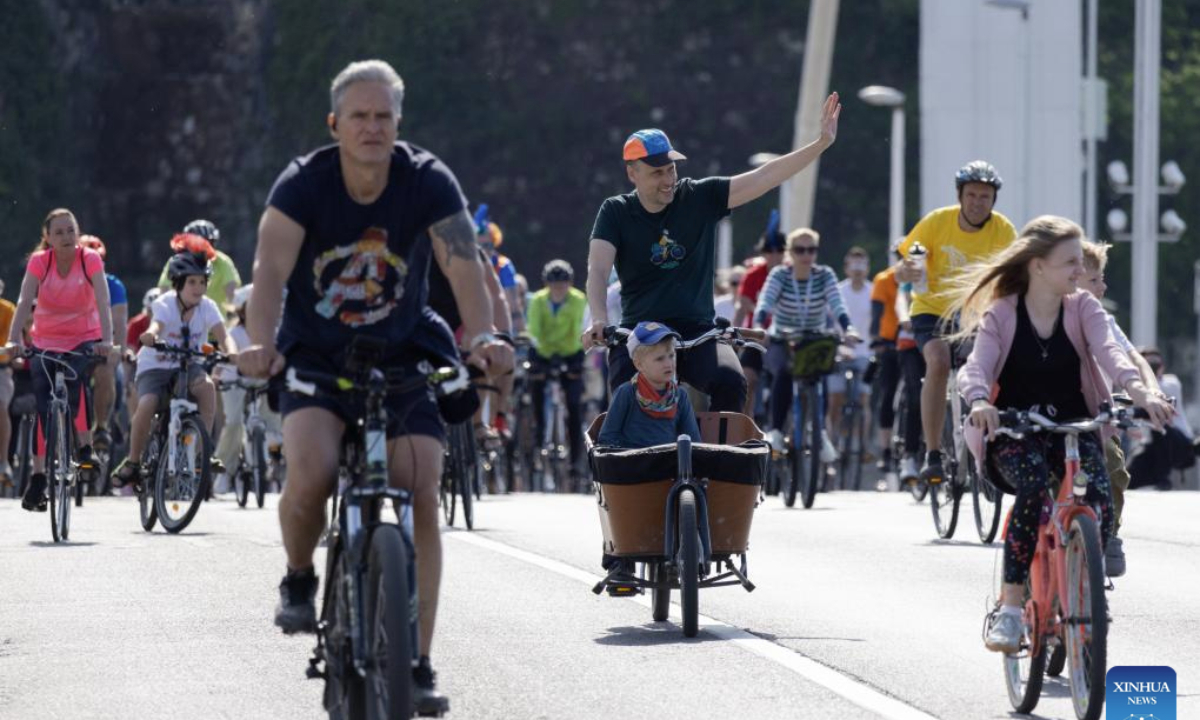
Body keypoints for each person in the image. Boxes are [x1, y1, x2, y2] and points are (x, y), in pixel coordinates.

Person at [235, 59, 510, 715]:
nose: (372, 128)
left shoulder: (427, 180)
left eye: (384, 116)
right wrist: (260, 345)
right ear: (335, 124)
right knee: (313, 468)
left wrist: (483, 340)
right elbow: (269, 271)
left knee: (422, 484)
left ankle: (414, 660)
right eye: (359, 116)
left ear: (398, 124)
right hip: (315, 351)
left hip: (404, 350)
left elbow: (464, 268)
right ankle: (300, 577)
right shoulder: (303, 185)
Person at [950, 216, 1172, 653]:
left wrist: (1140, 392)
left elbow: (1112, 353)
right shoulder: (1003, 311)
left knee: (1102, 499)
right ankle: (1012, 611)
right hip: (1014, 428)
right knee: (1032, 486)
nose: (1079, 271)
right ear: (1037, 266)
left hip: (1073, 425)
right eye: (1069, 261)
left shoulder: (1084, 308)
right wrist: (979, 401)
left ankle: (1081, 583)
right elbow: (977, 365)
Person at [583, 93, 842, 413]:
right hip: (643, 333)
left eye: (670, 169)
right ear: (632, 173)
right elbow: (597, 270)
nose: (668, 180)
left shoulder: (698, 197)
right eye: (656, 173)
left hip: (699, 333)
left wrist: (819, 144)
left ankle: (720, 460)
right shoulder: (615, 212)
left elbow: (763, 177)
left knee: (732, 382)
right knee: (624, 394)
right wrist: (598, 318)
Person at [896, 161, 1017, 486]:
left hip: (977, 313)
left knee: (999, 367)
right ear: (960, 196)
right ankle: (933, 454)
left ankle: (998, 442)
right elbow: (907, 261)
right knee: (938, 362)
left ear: (994, 200)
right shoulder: (937, 222)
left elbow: (1015, 273)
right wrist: (905, 272)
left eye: (986, 196)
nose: (978, 202)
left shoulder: (1003, 230)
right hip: (932, 308)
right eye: (972, 195)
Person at [7, 208, 113, 512]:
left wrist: (106, 341)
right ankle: (38, 475)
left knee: (74, 381)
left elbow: (103, 300)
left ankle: (84, 448)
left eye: (71, 230)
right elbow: (25, 300)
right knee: (42, 402)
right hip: (45, 339)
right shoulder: (40, 262)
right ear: (48, 238)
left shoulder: (89, 259)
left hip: (83, 336)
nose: (67, 236)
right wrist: (15, 340)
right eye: (59, 232)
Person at [112, 251, 233, 489]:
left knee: (207, 388)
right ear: (177, 283)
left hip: (190, 365)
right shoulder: (165, 303)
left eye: (202, 282)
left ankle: (202, 453)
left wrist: (232, 352)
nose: (198, 288)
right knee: (146, 404)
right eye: (192, 282)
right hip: (156, 366)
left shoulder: (207, 307)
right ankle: (133, 462)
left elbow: (223, 335)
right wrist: (151, 335)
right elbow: (158, 323)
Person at [1077, 240, 1162, 574]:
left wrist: (1150, 390)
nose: (1103, 286)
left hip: (1098, 419)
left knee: (1114, 470)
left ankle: (1109, 534)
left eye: (1102, 278)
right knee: (1042, 486)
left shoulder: (1104, 321)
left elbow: (1131, 358)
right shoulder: (1048, 314)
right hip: (1058, 416)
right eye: (1095, 279)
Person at [753, 228, 859, 457]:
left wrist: (848, 328)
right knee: (783, 371)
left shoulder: (824, 275)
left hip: (813, 337)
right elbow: (766, 301)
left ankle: (819, 433)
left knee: (818, 378)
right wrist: (760, 325)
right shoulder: (780, 274)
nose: (806, 255)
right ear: (790, 252)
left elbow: (837, 304)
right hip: (783, 337)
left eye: (811, 250)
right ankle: (777, 431)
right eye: (800, 250)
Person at [526, 259, 588, 485]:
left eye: (563, 285)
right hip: (542, 352)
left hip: (571, 352)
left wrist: (572, 362)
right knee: (536, 395)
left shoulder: (579, 299)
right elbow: (533, 329)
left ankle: (575, 462)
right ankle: (537, 444)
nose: (559, 290)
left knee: (574, 406)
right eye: (554, 285)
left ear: (569, 284)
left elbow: (579, 329)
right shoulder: (537, 300)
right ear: (547, 284)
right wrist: (544, 356)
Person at [869, 241, 922, 485]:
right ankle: (886, 449)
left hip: (913, 338)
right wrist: (875, 338)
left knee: (916, 390)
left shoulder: (923, 275)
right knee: (888, 393)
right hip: (889, 341)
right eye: (900, 255)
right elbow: (877, 313)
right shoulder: (884, 279)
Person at [598, 321, 700, 448]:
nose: (669, 363)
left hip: (669, 464)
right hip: (634, 464)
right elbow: (607, 438)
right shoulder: (627, 393)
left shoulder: (680, 396)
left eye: (671, 355)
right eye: (660, 359)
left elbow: (693, 442)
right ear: (639, 364)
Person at [733, 210, 787, 417]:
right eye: (770, 250)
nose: (774, 255)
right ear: (763, 253)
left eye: (779, 250)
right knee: (747, 379)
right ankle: (745, 425)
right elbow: (743, 303)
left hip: (783, 336)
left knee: (788, 380)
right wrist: (734, 335)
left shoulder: (790, 273)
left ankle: (785, 430)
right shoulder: (754, 274)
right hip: (757, 336)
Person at [78, 235, 128, 456]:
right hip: (73, 342)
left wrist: (120, 351)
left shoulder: (113, 285)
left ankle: (102, 426)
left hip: (102, 343)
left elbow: (119, 322)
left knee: (108, 372)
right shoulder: (70, 282)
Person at [1127, 347, 1195, 492]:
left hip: (1180, 446)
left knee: (1161, 428)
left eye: (1155, 362)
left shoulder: (1171, 382)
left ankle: (1163, 479)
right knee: (1129, 478)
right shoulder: (1132, 389)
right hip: (1152, 447)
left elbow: (1156, 396)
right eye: (1147, 363)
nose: (1152, 366)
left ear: (1162, 366)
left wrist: (1147, 380)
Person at [828, 246, 873, 454]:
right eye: (853, 265)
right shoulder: (838, 291)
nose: (857, 269)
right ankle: (831, 442)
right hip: (840, 352)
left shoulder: (873, 293)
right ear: (846, 268)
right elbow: (829, 321)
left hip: (865, 353)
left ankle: (861, 446)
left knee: (864, 399)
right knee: (835, 399)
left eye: (861, 264)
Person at [157, 219, 242, 305]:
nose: (201, 249)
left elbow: (231, 293)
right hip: (181, 316)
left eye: (207, 244)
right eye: (196, 244)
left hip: (216, 317)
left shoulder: (222, 261)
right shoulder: (177, 261)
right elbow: (164, 291)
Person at [0, 280, 15, 486]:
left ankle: (3, 462)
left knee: (0, 407)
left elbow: (11, 339)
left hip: (0, 367)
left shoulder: (8, 310)